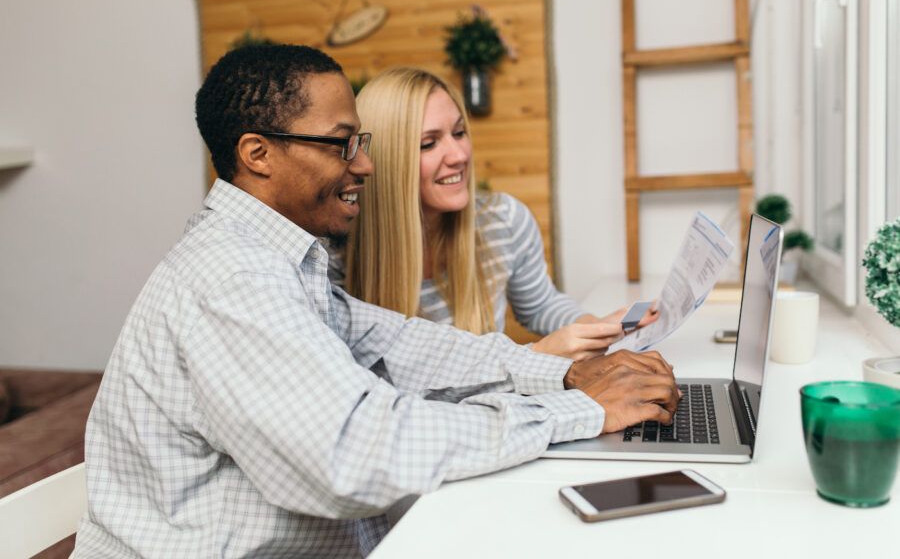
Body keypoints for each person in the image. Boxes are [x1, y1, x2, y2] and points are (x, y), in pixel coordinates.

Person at [72, 44, 679, 558]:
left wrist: (566, 374)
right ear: (258, 155)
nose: (365, 164)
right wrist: (581, 411)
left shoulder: (281, 257)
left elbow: (401, 343)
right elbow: (357, 456)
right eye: (343, 145)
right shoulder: (233, 280)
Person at [334, 66, 656, 361]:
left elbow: (540, 303)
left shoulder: (504, 219)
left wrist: (595, 328)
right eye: (429, 143)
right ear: (388, 160)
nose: (459, 155)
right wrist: (535, 355)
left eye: (459, 133)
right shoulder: (334, 260)